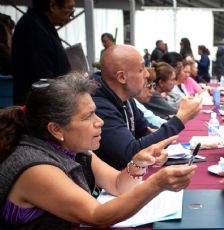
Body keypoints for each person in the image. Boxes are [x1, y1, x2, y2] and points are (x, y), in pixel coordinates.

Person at [0, 74, 197, 228]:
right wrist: (157, 183)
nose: (100, 121)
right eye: (88, 116)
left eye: (96, 111)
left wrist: (138, 163)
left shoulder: (74, 148)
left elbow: (117, 185)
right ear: (56, 129)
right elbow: (97, 216)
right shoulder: (35, 167)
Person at [92, 45, 201, 169]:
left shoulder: (125, 99)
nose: (147, 74)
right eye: (141, 69)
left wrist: (157, 149)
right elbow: (131, 153)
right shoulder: (99, 106)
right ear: (122, 77)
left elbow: (143, 132)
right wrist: (181, 118)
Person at [12, 0, 74, 105]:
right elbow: (42, 79)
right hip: (40, 109)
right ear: (53, 6)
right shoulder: (34, 29)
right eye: (70, 9)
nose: (72, 15)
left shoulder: (41, 25)